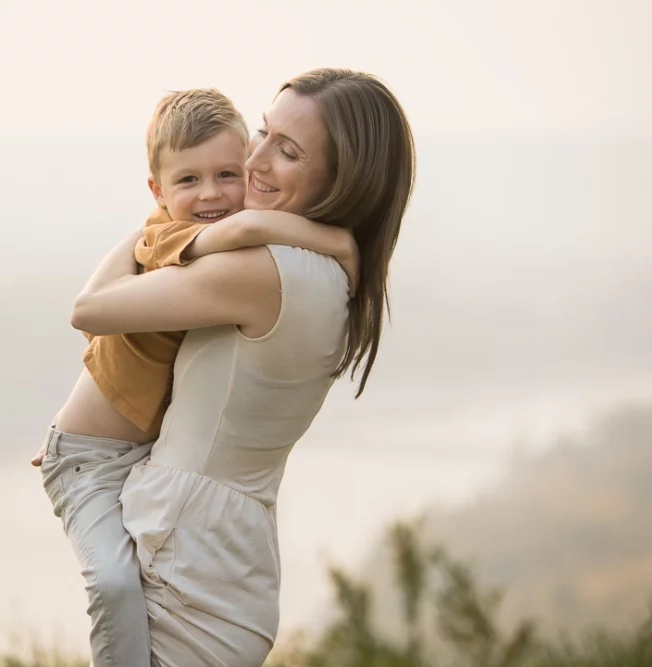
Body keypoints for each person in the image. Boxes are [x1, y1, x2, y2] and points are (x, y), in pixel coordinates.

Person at [68, 68, 416, 667]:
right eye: (261, 133)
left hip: (191, 563)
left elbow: (92, 310)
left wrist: (154, 228)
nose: (253, 160)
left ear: (344, 179)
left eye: (286, 150)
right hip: (229, 558)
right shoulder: (334, 274)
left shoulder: (260, 271)